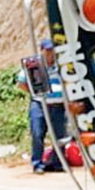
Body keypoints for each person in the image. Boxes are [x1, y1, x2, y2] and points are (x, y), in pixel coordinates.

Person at [17, 39, 66, 173]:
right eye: (48, 50)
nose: (50, 53)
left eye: (52, 50)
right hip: (39, 104)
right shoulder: (34, 65)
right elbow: (21, 82)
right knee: (37, 133)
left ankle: (58, 163)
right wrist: (34, 93)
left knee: (60, 135)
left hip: (58, 105)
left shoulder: (62, 65)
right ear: (42, 50)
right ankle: (37, 163)